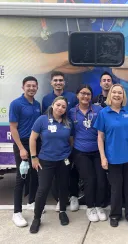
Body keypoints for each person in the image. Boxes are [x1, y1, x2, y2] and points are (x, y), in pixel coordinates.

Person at [94, 84, 128, 229]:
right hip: (113, 157)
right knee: (116, 188)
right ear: (110, 95)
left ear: (123, 96)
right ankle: (115, 214)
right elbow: (100, 137)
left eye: (119, 93)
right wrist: (103, 157)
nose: (117, 95)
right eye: (114, 92)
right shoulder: (104, 113)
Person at [29, 96, 73, 234]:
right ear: (53, 105)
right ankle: (37, 218)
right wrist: (34, 157)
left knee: (63, 186)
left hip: (63, 161)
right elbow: (33, 138)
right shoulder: (42, 120)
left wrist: (68, 154)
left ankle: (62, 211)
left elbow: (71, 140)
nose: (60, 108)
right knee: (43, 189)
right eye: (58, 105)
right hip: (45, 160)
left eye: (63, 106)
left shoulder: (68, 122)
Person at [69, 85, 107, 222]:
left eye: (88, 94)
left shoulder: (98, 110)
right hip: (81, 152)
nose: (85, 96)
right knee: (89, 180)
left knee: (101, 180)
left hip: (97, 150)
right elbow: (70, 133)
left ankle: (99, 206)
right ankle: (90, 207)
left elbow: (103, 131)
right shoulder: (71, 112)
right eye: (82, 93)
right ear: (77, 95)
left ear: (92, 96)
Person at [42, 70, 79, 212]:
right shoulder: (46, 99)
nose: (58, 83)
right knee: (56, 176)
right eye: (55, 80)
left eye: (60, 80)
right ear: (51, 83)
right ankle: (59, 200)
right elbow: (44, 121)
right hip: (53, 143)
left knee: (72, 170)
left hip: (70, 139)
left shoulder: (71, 97)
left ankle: (74, 195)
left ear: (64, 82)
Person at [9, 76, 41, 227]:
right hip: (22, 144)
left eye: (34, 86)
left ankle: (32, 201)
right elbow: (13, 128)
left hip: (34, 143)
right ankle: (17, 213)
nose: (31, 88)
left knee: (34, 174)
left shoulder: (37, 104)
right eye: (28, 86)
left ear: (37, 88)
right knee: (21, 177)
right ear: (23, 87)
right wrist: (21, 148)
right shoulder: (16, 104)